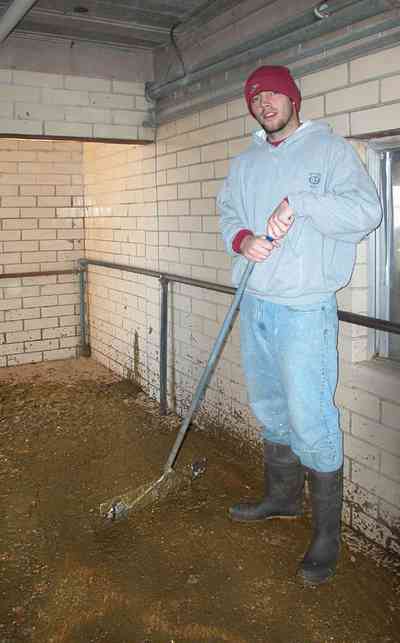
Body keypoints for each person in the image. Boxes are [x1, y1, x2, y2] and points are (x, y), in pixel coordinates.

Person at [217, 65, 382, 585]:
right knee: (270, 408)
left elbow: (367, 211)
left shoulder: (330, 152)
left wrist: (301, 203)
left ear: (293, 98)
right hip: (256, 303)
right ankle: (282, 498)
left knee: (311, 417)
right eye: (256, 97)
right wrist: (241, 238)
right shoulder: (244, 162)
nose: (264, 103)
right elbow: (224, 213)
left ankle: (327, 535)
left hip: (305, 309)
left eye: (273, 94)